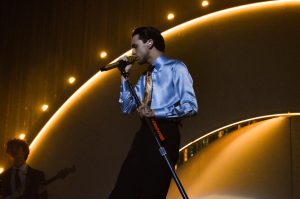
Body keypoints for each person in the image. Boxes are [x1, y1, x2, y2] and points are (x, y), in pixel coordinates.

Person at [109, 26, 198, 199]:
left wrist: (156, 112)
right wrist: (124, 77)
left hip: (165, 132)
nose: (132, 51)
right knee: (123, 190)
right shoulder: (144, 77)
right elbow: (127, 107)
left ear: (149, 43)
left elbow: (191, 106)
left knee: (152, 190)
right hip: (144, 134)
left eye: (135, 46)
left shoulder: (176, 68)